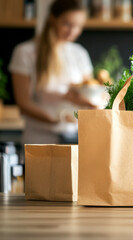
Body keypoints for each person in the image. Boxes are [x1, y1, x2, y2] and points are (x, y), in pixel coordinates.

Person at [9, 0, 94, 144]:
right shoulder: (25, 53)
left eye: (78, 26)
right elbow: (23, 103)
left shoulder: (80, 54)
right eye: (67, 24)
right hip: (38, 139)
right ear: (52, 19)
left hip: (74, 138)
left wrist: (85, 102)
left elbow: (88, 90)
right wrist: (56, 120)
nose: (73, 31)